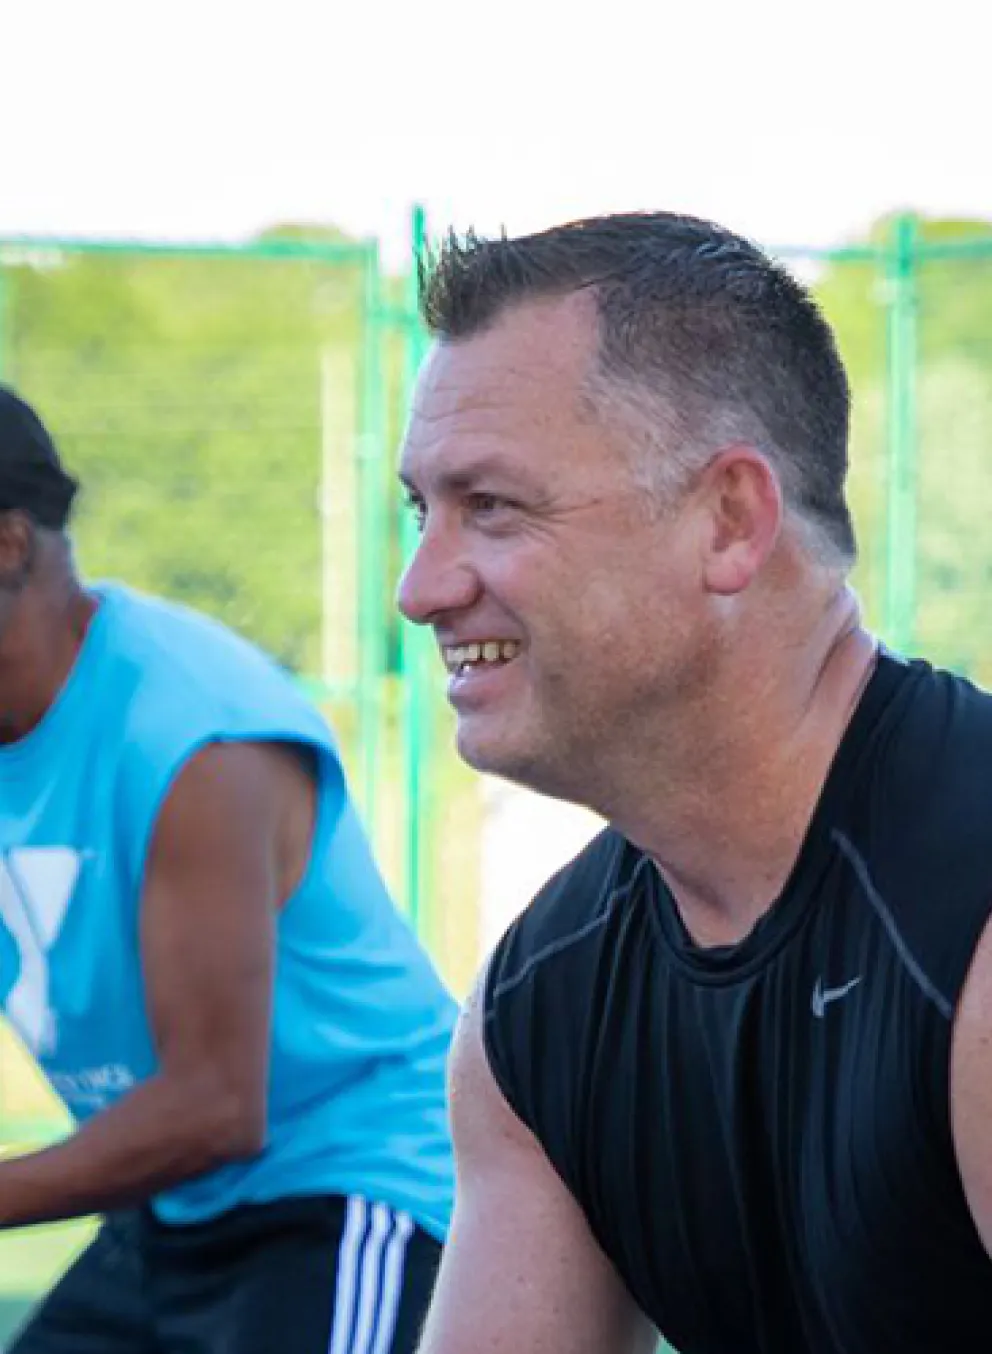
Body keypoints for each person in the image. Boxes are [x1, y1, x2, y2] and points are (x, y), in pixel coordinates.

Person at [395, 212, 992, 1354]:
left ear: (728, 521)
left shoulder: (966, 927)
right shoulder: (537, 1012)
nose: (419, 587)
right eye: (420, 510)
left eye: (493, 506)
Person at [0, 385, 456, 1354]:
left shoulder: (191, 733)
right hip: (177, 1202)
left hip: (349, 1186)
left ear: (5, 545)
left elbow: (215, 1106)